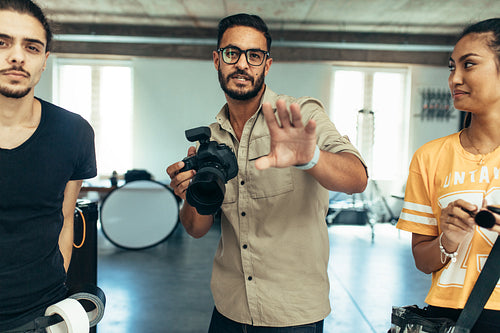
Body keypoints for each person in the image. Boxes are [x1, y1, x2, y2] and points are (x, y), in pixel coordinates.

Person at [167, 13, 367, 333]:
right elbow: (196, 229)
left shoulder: (301, 115)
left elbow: (357, 179)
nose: (242, 64)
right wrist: (190, 194)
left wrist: (309, 156)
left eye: (254, 55)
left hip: (292, 314)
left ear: (267, 65)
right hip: (229, 309)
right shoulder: (211, 139)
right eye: (232, 53)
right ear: (217, 60)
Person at [396, 18, 500, 332]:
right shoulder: (429, 156)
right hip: (450, 317)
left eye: (469, 64)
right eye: (452, 67)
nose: (455, 78)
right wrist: (448, 239)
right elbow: (422, 259)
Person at [0, 0, 97, 331]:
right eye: (2, 42)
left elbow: (66, 218)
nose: (17, 56)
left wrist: (54, 302)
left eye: (31, 46)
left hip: (41, 314)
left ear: (44, 62)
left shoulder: (73, 133)